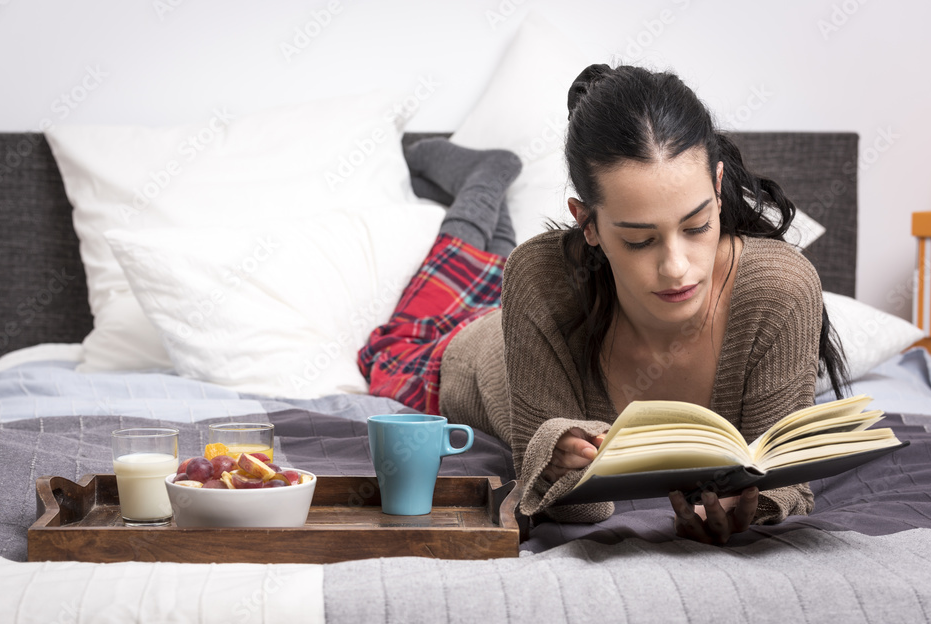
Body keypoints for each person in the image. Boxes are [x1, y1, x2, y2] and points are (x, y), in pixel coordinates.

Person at [359, 63, 849, 545]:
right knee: (436, 295)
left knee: (488, 262)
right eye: (640, 240)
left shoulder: (779, 289)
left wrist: (753, 505)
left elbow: (785, 480)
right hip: (454, 345)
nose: (677, 267)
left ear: (718, 189)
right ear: (586, 222)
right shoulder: (538, 280)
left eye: (697, 227)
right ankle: (483, 178)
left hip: (543, 296)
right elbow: (577, 505)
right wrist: (553, 454)